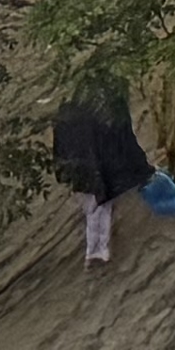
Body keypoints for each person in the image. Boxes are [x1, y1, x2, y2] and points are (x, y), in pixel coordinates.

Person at [49, 81, 148, 267]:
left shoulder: (67, 121)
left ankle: (93, 252)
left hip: (82, 173)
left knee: (92, 210)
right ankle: (100, 251)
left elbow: (60, 150)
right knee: (101, 209)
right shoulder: (97, 120)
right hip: (99, 171)